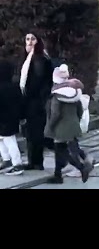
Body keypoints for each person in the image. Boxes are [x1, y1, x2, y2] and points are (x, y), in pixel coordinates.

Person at [44, 64, 92, 184]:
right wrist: (75, 120)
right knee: (64, 149)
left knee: (61, 151)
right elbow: (80, 110)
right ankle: (58, 174)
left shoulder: (56, 96)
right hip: (73, 125)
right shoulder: (76, 93)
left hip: (60, 127)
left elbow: (55, 114)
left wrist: (50, 126)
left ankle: (80, 168)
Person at [20, 32, 53, 171]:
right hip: (32, 101)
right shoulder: (29, 57)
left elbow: (37, 81)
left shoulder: (39, 58)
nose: (29, 42)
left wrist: (28, 95)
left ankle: (37, 161)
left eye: (32, 39)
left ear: (38, 41)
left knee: (37, 132)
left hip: (37, 102)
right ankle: (33, 161)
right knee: (31, 132)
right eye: (27, 39)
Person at [0, 60, 25, 175]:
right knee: (5, 139)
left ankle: (17, 163)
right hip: (12, 118)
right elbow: (21, 102)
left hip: (4, 118)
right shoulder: (14, 86)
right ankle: (7, 160)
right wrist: (22, 116)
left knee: (8, 140)